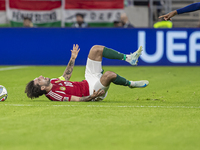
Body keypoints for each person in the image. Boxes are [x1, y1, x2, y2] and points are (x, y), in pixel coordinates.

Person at [25, 44, 149, 102]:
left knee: (95, 50)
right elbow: (76, 100)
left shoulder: (52, 81)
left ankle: (129, 58)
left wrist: (72, 58)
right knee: (109, 75)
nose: (41, 76)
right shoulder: (54, 95)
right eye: (39, 79)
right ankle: (131, 84)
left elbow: (66, 76)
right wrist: (92, 97)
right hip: (92, 91)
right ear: (42, 87)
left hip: (88, 80)